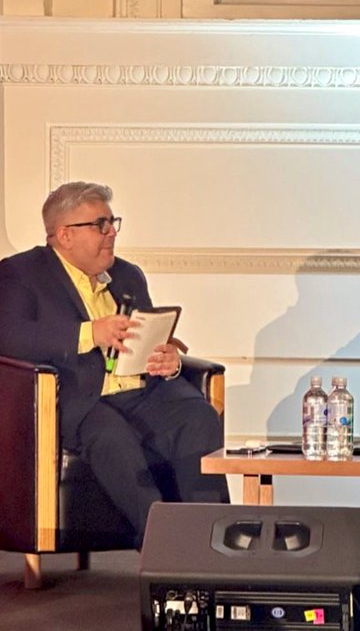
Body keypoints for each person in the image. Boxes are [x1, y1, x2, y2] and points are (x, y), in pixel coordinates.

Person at [0, 181, 228, 546]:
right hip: (77, 397)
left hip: (139, 388)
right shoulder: (21, 274)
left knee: (197, 416)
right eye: (99, 224)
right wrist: (90, 333)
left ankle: (214, 542)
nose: (111, 233)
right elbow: (10, 336)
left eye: (112, 222)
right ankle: (161, 542)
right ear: (64, 235)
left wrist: (166, 358)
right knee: (110, 434)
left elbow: (144, 338)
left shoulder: (127, 274)